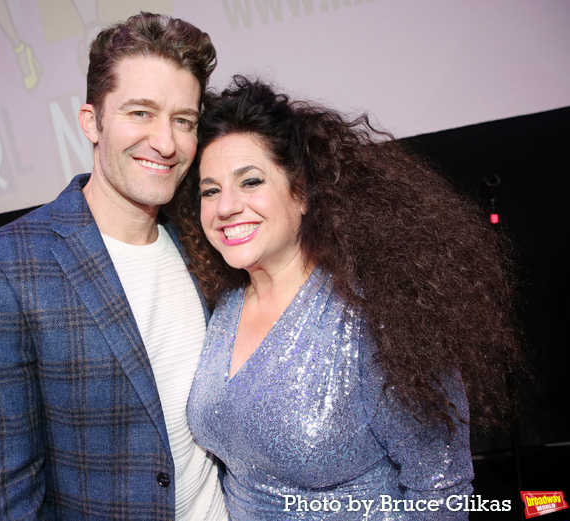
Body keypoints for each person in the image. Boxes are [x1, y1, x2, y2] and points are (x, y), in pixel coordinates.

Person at [173, 77, 524, 520]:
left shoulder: (375, 316)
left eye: (250, 182)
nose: (226, 207)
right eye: (210, 190)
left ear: (300, 193)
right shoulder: (222, 308)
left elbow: (440, 489)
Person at [0, 13, 227, 520]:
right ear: (91, 122)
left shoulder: (205, 242)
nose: (166, 142)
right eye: (140, 113)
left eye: (183, 120)